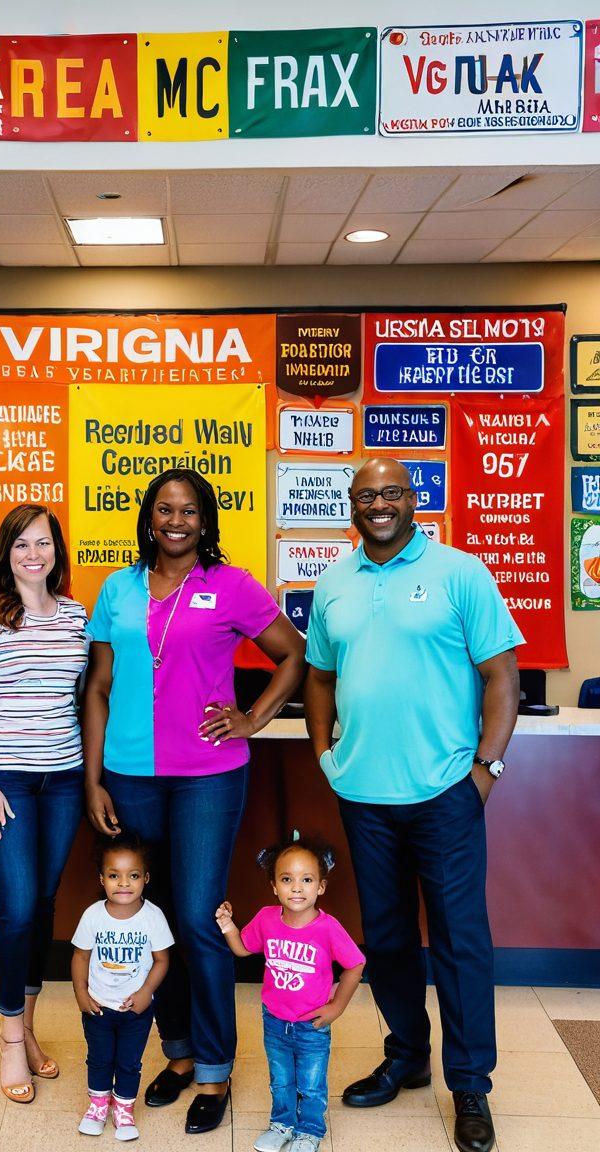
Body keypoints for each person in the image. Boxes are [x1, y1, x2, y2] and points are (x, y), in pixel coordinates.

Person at [304, 458, 522, 1152]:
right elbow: (318, 676)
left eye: (392, 492)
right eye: (366, 495)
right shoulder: (334, 583)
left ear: (413, 498)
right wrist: (323, 755)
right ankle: (406, 1058)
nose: (379, 505)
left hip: (445, 796)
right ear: (352, 505)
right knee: (390, 939)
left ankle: (470, 1086)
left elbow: (502, 678)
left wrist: (485, 770)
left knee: (460, 944)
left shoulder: (462, 573)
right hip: (364, 798)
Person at [83, 467, 307, 1134]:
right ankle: (176, 1055)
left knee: (201, 917)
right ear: (148, 519)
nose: (175, 521)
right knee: (151, 918)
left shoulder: (230, 585)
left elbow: (293, 655)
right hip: (128, 772)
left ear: (205, 522)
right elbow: (98, 685)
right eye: (164, 510)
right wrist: (94, 778)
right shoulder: (117, 589)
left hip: (208, 773)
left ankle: (214, 1068)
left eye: (188, 511)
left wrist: (252, 717)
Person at [0, 503, 89, 1103]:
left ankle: (29, 1028)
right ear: (5, 555)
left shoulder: (76, 616)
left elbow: (85, 699)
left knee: (43, 901)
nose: (33, 555)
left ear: (56, 550)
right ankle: (11, 1039)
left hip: (62, 779)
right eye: (21, 546)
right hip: (6, 781)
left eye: (43, 543)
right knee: (16, 906)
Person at [216, 833, 365, 1152]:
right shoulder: (267, 919)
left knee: (311, 1085)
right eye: (287, 879)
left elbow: (356, 964)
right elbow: (243, 950)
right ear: (274, 885)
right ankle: (282, 1124)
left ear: (321, 886)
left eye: (307, 879)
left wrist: (337, 1007)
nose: (297, 887)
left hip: (312, 1026)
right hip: (274, 1020)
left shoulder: (328, 928)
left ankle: (310, 1131)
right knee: (281, 1080)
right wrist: (228, 925)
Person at [72, 831, 174, 1141]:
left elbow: (162, 961)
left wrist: (146, 993)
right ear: (102, 879)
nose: (124, 883)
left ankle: (124, 1109)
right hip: (99, 1006)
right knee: (100, 1058)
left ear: (145, 878)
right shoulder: (93, 916)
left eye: (132, 876)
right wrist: (80, 992)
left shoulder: (153, 917)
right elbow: (80, 956)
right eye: (114, 875)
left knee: (129, 1062)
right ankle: (98, 1105)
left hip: (136, 1010)